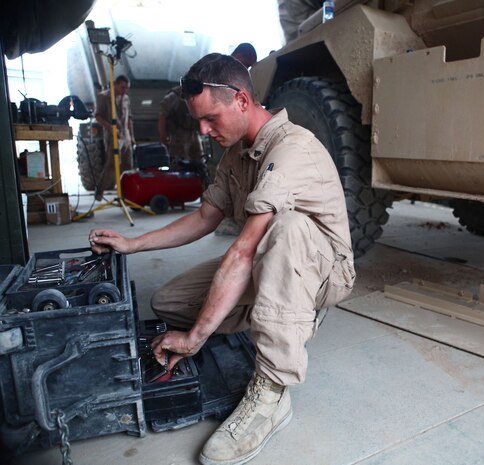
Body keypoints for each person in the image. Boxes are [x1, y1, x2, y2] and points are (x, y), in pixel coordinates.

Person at [88, 53, 355, 465]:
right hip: (270, 260)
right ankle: (280, 311)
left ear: (242, 102)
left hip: (322, 269)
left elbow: (244, 249)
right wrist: (132, 243)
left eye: (211, 118)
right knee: (170, 303)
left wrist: (195, 339)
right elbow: (204, 217)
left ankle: (272, 392)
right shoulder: (236, 154)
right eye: (198, 121)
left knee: (286, 229)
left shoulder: (292, 149)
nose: (203, 130)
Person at [94, 74, 135, 200]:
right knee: (111, 165)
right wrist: (110, 128)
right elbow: (98, 116)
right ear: (116, 85)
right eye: (122, 87)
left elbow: (128, 118)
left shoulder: (126, 98)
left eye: (126, 88)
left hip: (125, 135)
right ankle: (99, 191)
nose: (125, 90)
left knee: (128, 165)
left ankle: (126, 193)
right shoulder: (104, 97)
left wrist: (131, 136)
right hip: (112, 136)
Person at [158, 85, 202, 161]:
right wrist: (163, 136)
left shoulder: (197, 94)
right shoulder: (173, 97)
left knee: (199, 161)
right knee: (179, 162)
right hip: (178, 136)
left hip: (193, 133)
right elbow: (162, 116)